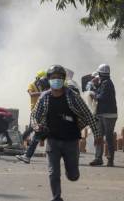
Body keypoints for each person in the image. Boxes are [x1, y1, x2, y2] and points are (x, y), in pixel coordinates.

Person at [31, 65, 102, 201]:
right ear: (49, 80)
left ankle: (71, 172)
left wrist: (97, 134)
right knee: (53, 172)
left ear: (63, 80)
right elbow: (35, 115)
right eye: (53, 78)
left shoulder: (72, 96)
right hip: (52, 140)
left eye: (59, 78)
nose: (56, 80)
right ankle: (56, 197)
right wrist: (36, 126)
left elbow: (87, 114)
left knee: (73, 175)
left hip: (71, 140)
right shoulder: (44, 97)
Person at [17, 70, 49, 164]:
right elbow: (31, 94)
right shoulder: (32, 85)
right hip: (35, 110)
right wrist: (43, 93)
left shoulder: (45, 88)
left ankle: (24, 147)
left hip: (43, 113)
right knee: (32, 129)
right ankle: (21, 143)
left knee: (35, 130)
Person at [89, 64, 118, 167]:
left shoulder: (107, 84)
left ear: (101, 74)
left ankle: (110, 159)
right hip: (102, 114)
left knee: (109, 137)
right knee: (99, 136)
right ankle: (98, 159)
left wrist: (93, 95)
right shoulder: (104, 83)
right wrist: (95, 86)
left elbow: (102, 97)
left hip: (108, 115)